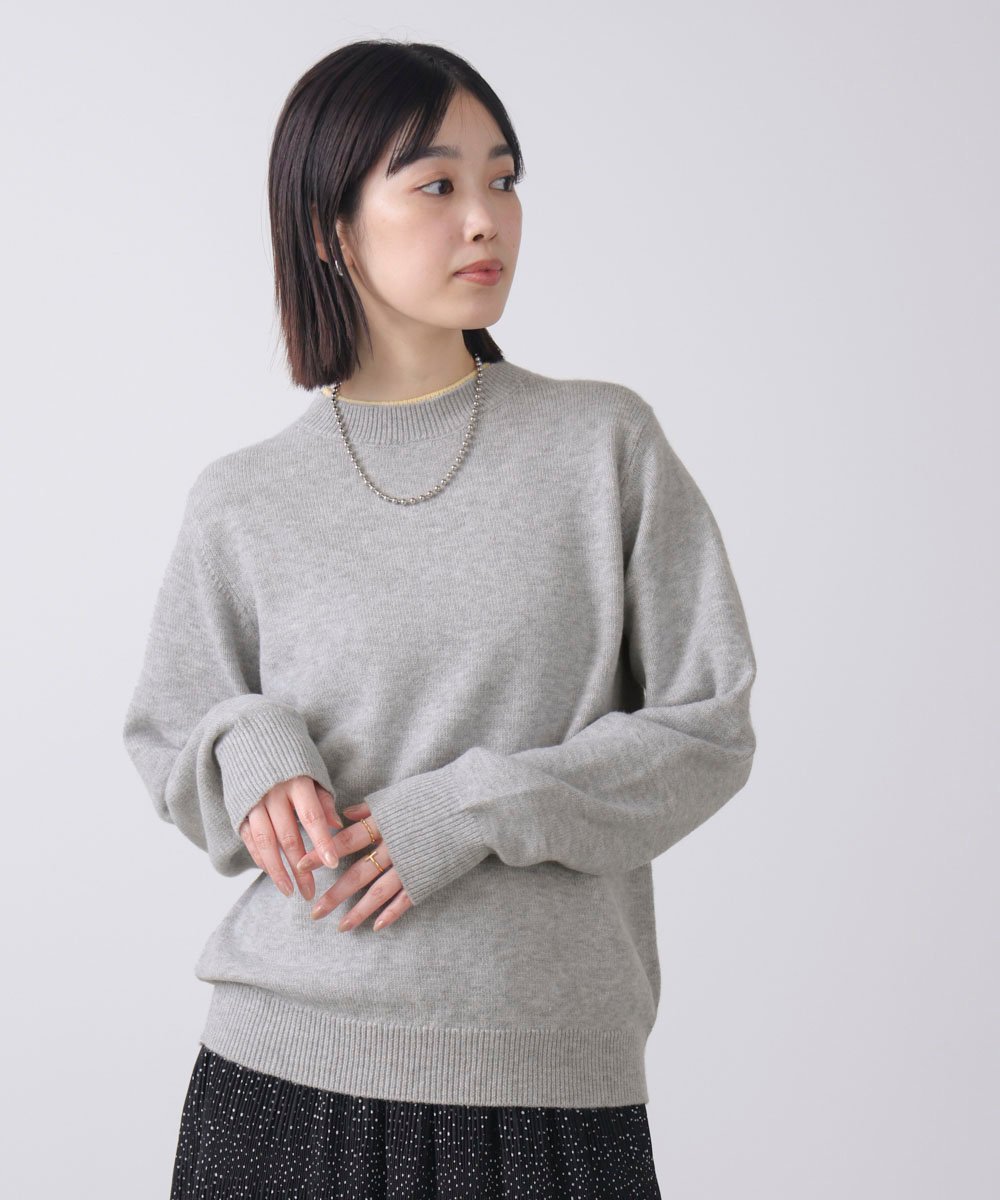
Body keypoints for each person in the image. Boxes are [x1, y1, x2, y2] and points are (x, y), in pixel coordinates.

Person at [122, 38, 757, 1199]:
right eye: (436, 184)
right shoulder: (244, 499)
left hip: (543, 1087)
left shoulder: (601, 445)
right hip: (281, 1078)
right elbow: (171, 736)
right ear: (330, 228)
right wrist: (251, 743)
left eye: (502, 180)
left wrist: (468, 807)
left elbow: (707, 731)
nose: (484, 219)